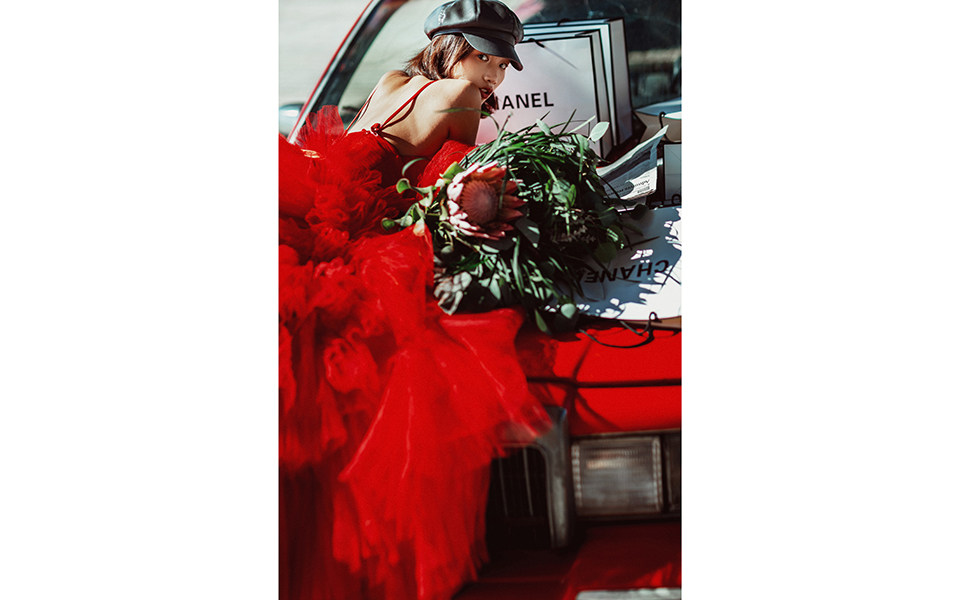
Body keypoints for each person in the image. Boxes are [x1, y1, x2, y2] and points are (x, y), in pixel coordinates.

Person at [278, 2, 552, 599]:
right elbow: (448, 194)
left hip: (315, 213)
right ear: (460, 50)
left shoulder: (391, 80)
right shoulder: (461, 96)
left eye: (503, 65)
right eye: (491, 61)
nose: (497, 77)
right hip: (370, 238)